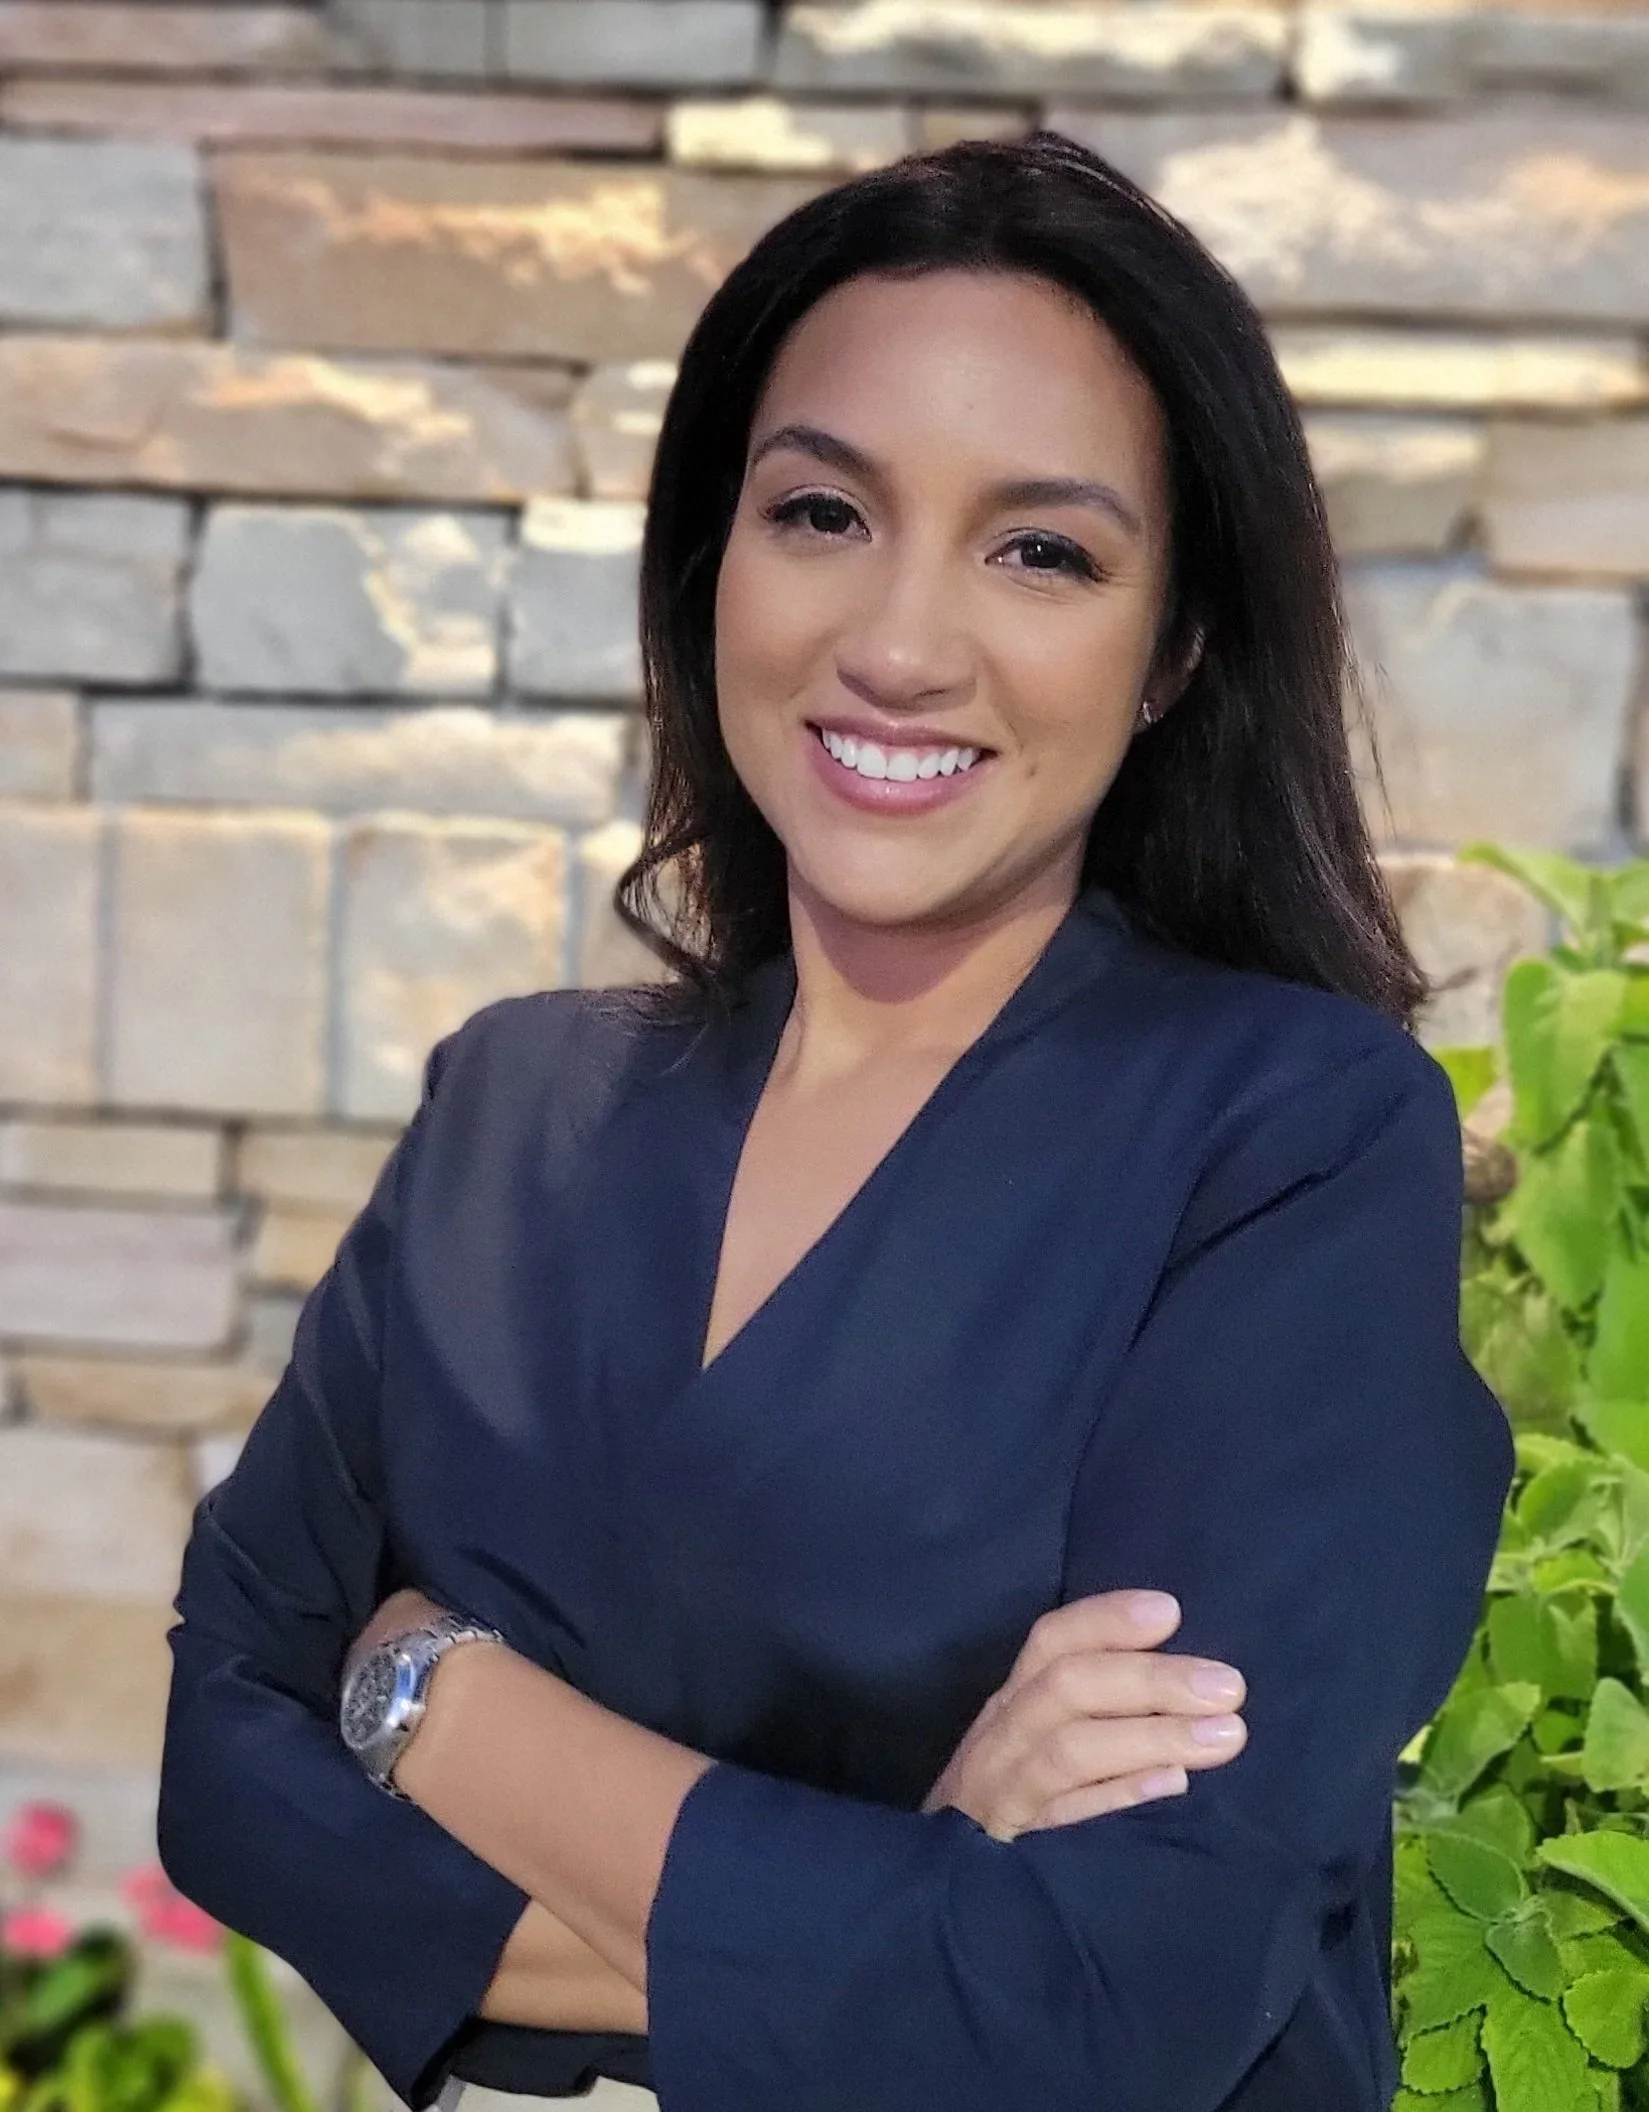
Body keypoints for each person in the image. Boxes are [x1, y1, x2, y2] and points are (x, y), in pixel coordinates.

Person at [157, 131, 1514, 2112]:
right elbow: (217, 1767)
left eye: (1038, 550)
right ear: (716, 550)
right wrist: (917, 1901)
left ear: (1175, 655)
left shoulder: (1287, 1149)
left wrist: (428, 1702)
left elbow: (1094, 2011)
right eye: (820, 514)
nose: (895, 642)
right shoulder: (513, 1116)